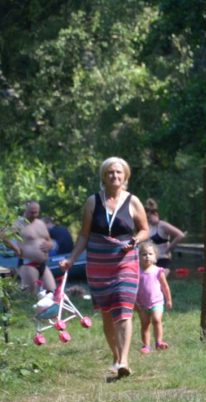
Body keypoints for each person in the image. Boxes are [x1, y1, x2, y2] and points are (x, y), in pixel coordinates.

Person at [60, 157, 150, 380]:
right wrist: (71, 259)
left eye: (119, 172)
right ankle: (116, 357)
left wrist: (135, 241)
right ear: (103, 176)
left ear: (125, 176)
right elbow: (84, 235)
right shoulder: (93, 202)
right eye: (110, 172)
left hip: (125, 262)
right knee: (108, 313)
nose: (114, 176)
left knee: (124, 308)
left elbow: (145, 230)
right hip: (98, 265)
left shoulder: (133, 201)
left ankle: (124, 361)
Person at [4, 201, 55, 293]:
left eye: (36, 212)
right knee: (30, 295)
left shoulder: (40, 223)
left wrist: (50, 244)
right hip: (28, 263)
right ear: (25, 210)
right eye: (31, 212)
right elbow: (3, 236)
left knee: (51, 292)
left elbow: (49, 240)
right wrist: (15, 249)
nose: (34, 215)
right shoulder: (18, 223)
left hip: (43, 264)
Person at [135, 240, 172, 354]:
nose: (147, 256)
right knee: (145, 324)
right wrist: (134, 303)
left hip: (157, 302)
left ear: (155, 257)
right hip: (141, 304)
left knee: (156, 320)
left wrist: (168, 300)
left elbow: (165, 287)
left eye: (150, 254)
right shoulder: (136, 272)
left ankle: (159, 342)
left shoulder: (158, 271)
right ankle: (146, 346)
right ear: (138, 256)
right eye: (144, 254)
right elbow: (133, 288)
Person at [143, 199, 186, 268]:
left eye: (149, 217)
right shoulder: (149, 227)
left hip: (163, 259)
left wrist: (168, 250)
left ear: (155, 214)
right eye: (146, 218)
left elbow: (180, 235)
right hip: (152, 260)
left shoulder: (162, 225)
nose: (148, 220)